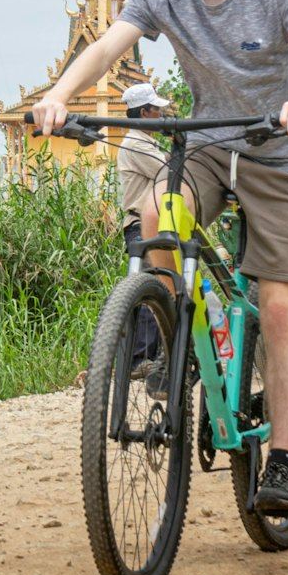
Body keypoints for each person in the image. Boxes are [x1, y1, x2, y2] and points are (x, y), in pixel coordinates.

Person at [31, 0, 288, 515]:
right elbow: (106, 47)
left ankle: (283, 456)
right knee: (154, 215)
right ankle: (175, 340)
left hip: (280, 153)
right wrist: (57, 96)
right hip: (209, 146)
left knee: (279, 303)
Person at [117, 83, 171, 371]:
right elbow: (169, 172)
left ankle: (145, 357)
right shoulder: (136, 144)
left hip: (151, 223)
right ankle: (143, 359)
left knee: (155, 288)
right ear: (144, 112)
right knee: (152, 288)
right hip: (142, 224)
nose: (160, 114)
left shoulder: (147, 142)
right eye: (157, 110)